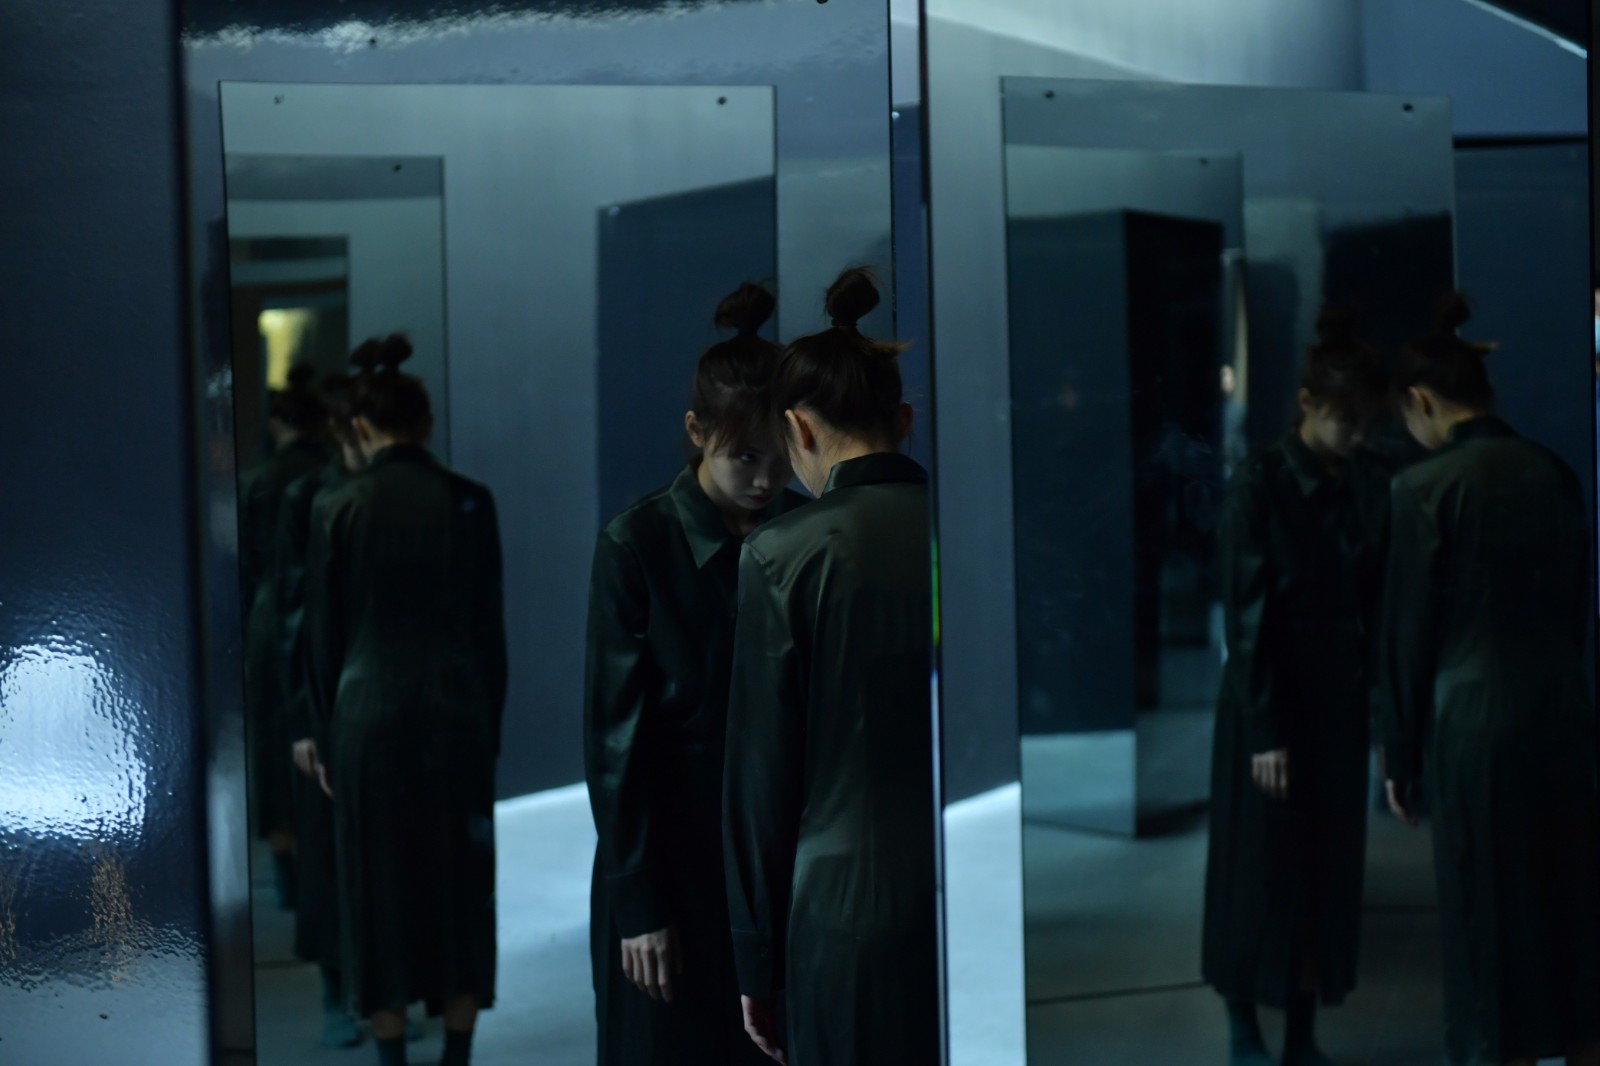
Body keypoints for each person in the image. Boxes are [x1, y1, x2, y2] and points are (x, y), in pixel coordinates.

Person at [585, 282, 806, 1066]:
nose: (766, 479)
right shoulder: (636, 544)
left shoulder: (802, 532)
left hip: (775, 861)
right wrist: (637, 901)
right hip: (670, 859)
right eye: (745, 456)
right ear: (696, 432)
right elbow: (615, 742)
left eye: (781, 458)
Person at [722, 267, 938, 1066]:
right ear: (904, 420)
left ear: (798, 430)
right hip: (963, 886)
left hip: (841, 906)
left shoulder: (781, 553)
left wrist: (756, 961)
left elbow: (760, 775)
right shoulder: (961, 532)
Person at [1379, 294, 1600, 1066]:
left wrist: (1399, 754)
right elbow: (1577, 608)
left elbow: (1408, 635)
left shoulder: (1421, 489)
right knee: (1572, 911)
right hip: (1564, 713)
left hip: (1472, 727)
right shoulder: (1554, 472)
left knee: (1489, 922)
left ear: (1420, 400)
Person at [304, 334, 507, 1066]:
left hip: (367, 716)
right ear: (425, 423)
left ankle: (391, 1059)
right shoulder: (470, 501)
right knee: (460, 889)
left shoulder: (338, 505)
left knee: (377, 890)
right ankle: (457, 1053)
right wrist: (489, 729)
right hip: (456, 713)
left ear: (360, 427)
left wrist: (324, 734)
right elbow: (489, 633)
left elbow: (323, 636)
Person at [1201, 310, 1392, 1066]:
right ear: (1309, 404)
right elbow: (1246, 617)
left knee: (1324, 871)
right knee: (1256, 872)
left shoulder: (1362, 483)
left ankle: (1301, 1034)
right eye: (1346, 420)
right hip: (1271, 701)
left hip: (1333, 703)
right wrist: (1264, 729)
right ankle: (1244, 1028)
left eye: (1366, 422)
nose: (1358, 435)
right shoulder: (1260, 483)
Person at [276, 367, 368, 1049]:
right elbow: (291, 612)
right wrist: (305, 718)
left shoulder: (374, 495)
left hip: (369, 691)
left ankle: (371, 988)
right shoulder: (311, 496)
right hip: (325, 691)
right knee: (330, 854)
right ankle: (339, 990)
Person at [240, 362, 328, 909]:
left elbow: (245, 562)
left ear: (278, 423)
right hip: (318, 615)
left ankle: (288, 877)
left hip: (268, 618)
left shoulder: (259, 481)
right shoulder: (328, 477)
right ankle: (318, 873)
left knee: (274, 747)